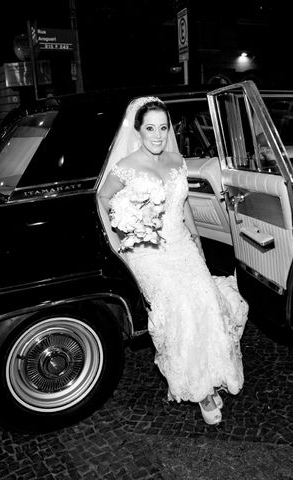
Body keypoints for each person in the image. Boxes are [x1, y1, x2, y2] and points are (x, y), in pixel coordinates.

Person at [97, 96, 249, 425]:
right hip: (148, 251)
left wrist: (197, 242)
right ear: (138, 130)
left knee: (206, 300)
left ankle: (212, 372)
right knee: (181, 307)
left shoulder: (177, 160)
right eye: (150, 128)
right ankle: (200, 389)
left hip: (180, 243)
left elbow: (185, 206)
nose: (157, 135)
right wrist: (115, 238)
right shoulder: (126, 167)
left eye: (163, 128)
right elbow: (102, 196)